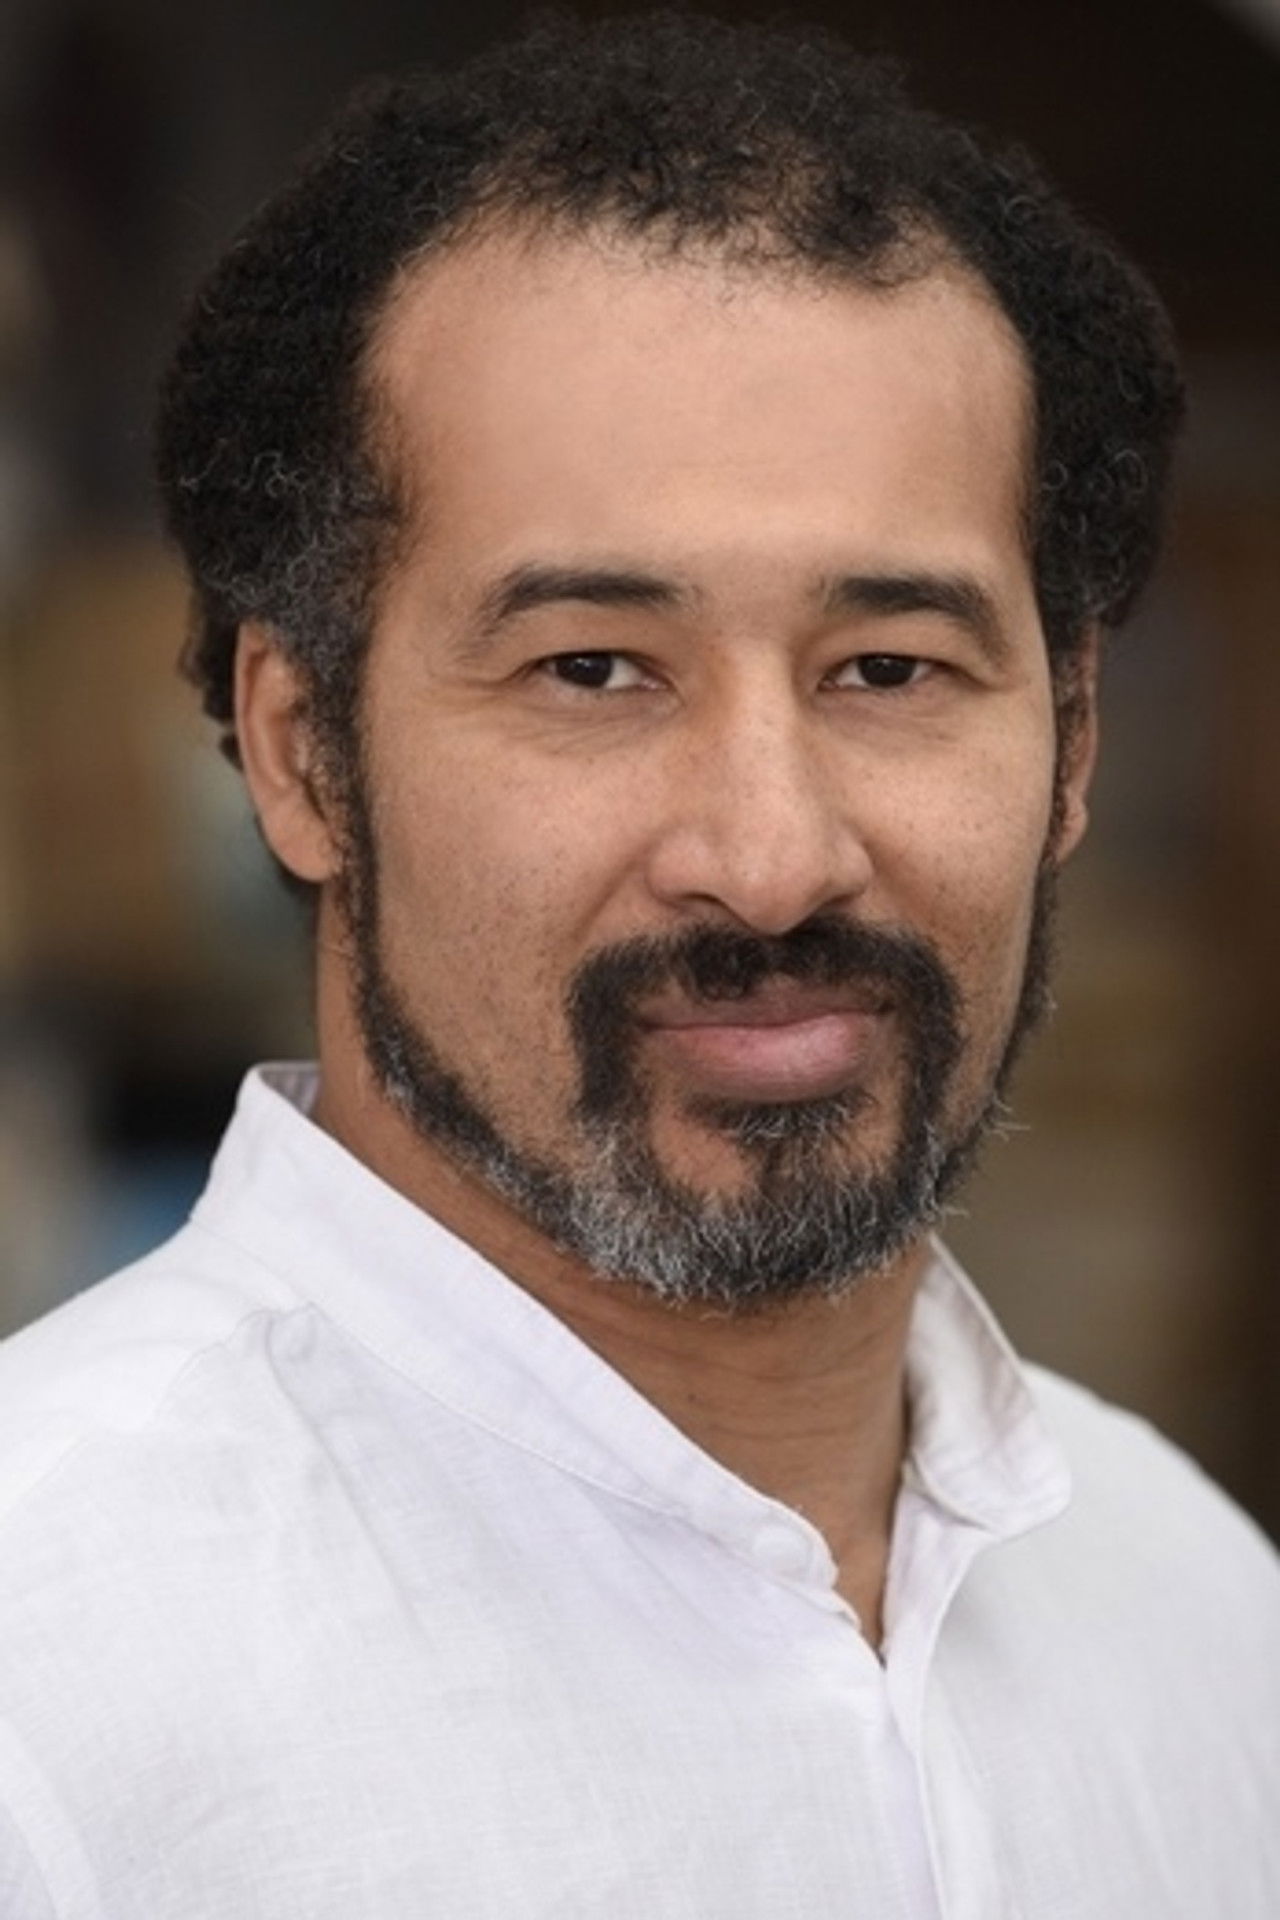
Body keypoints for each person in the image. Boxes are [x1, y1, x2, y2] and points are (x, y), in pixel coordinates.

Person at [1, 14, 1276, 1916]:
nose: (771, 857)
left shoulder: (1198, 1621)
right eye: (593, 668)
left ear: (1071, 743)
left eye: (890, 669)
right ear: (300, 752)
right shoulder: (47, 1685)